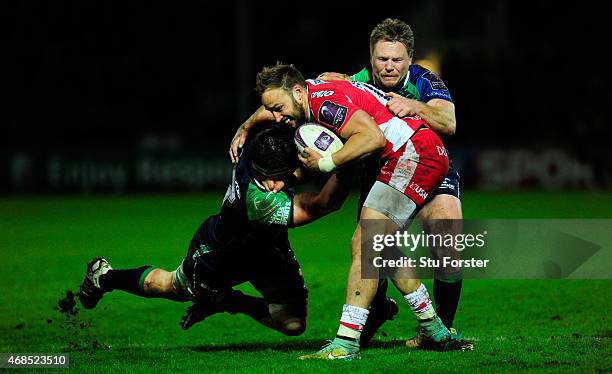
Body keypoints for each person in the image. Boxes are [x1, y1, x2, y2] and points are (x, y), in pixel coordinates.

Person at [251, 63, 471, 360]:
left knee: (366, 243)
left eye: (278, 108)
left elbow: (372, 139)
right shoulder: (314, 94)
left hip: (413, 153)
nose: (277, 118)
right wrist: (289, 175)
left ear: (299, 93)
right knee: (382, 247)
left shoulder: (326, 104)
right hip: (413, 152)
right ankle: (434, 328)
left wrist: (325, 164)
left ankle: (346, 342)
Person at [78, 124, 351, 336]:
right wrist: (346, 163)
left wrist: (247, 123)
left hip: (267, 251)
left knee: (293, 324)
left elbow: (272, 112)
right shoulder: (260, 200)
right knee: (169, 286)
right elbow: (324, 204)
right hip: (219, 255)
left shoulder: (256, 145)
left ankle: (226, 301)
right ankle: (106, 276)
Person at [318, 18, 465, 347]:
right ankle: (378, 309)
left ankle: (442, 328)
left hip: (429, 166)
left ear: (409, 59)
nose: (388, 67)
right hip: (382, 170)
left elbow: (449, 122)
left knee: (447, 238)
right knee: (371, 248)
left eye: (396, 60)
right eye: (382, 59)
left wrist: (414, 106)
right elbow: (305, 92)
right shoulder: (355, 81)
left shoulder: (425, 81)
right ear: (371, 57)